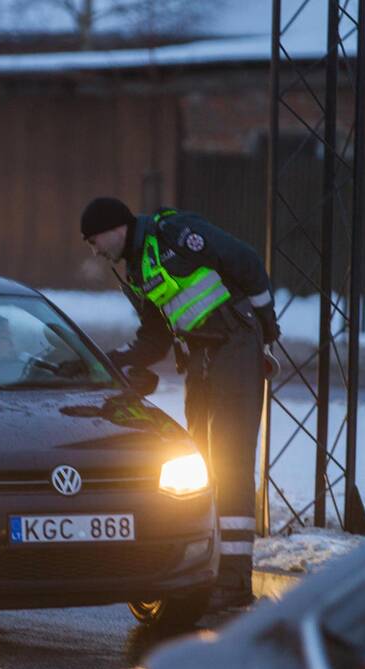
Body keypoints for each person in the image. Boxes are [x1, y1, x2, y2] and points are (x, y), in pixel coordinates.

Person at [79, 196, 281, 609]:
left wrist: (265, 323)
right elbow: (155, 337)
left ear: (116, 227)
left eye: (94, 240)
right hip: (202, 358)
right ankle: (205, 568)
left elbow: (244, 261)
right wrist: (114, 361)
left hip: (235, 347)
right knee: (202, 463)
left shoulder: (172, 234)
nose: (94, 251)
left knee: (231, 460)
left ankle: (234, 581)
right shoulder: (136, 271)